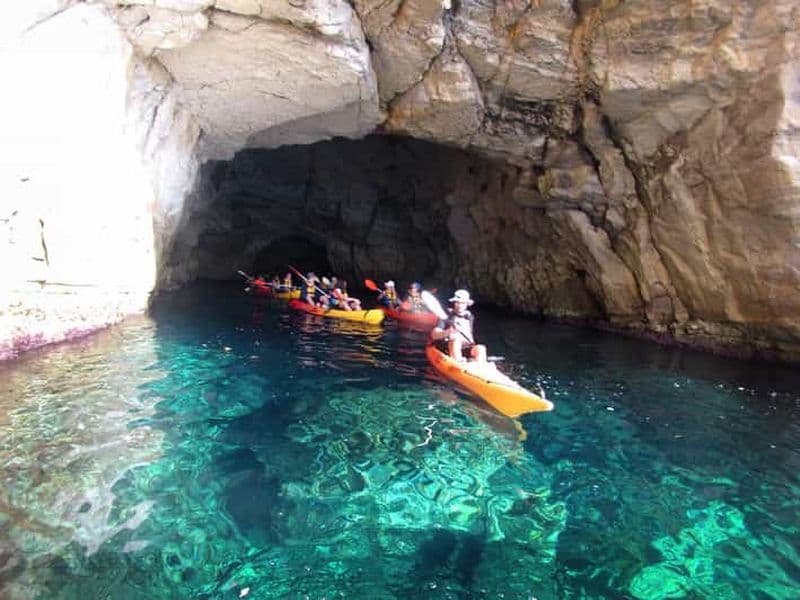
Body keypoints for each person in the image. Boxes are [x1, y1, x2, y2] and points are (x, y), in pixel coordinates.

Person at [430, 289, 487, 363]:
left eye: (463, 303)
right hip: (449, 347)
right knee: (455, 339)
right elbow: (434, 335)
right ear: (454, 303)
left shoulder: (469, 317)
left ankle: (480, 368)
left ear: (467, 304)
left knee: (481, 348)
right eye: (457, 302)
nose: (460, 305)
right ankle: (458, 363)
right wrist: (447, 332)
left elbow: (471, 335)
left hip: (465, 347)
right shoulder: (447, 315)